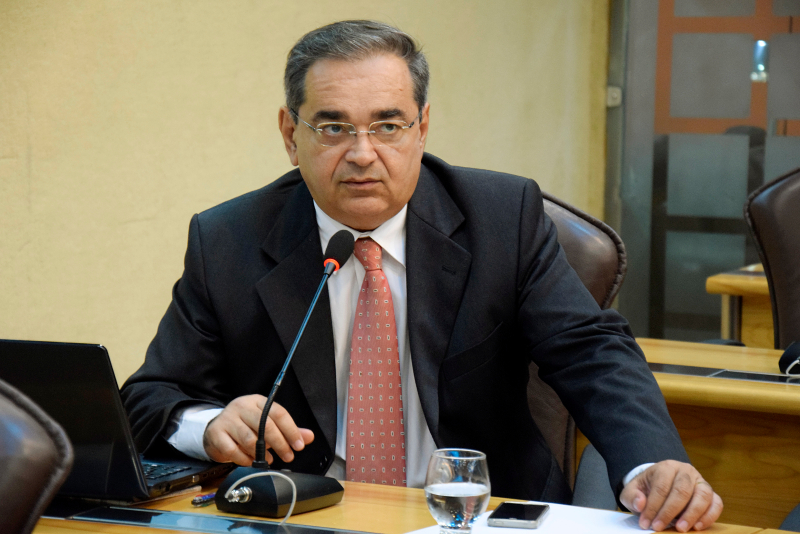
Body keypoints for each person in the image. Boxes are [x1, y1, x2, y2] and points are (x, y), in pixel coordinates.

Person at [121, 20, 723, 532]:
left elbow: (590, 351)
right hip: (308, 517)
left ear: (422, 128)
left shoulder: (501, 218)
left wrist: (651, 463)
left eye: (388, 126)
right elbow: (149, 397)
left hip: (475, 515)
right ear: (290, 134)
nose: (362, 153)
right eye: (333, 127)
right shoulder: (228, 239)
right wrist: (209, 425)